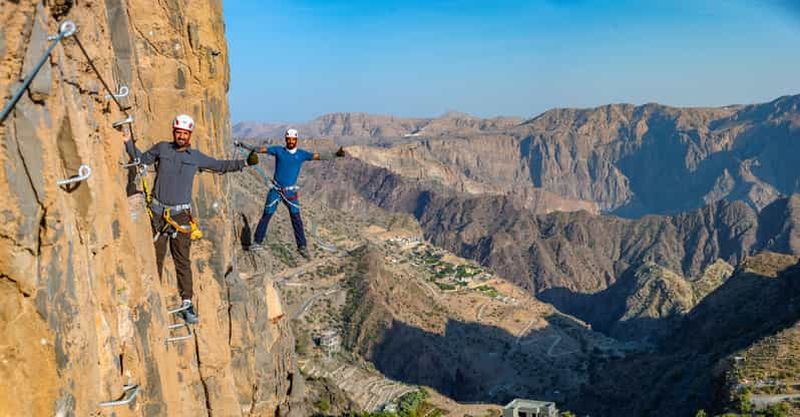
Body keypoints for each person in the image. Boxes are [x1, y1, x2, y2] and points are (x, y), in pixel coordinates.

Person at [125, 114, 259, 323]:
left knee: (182, 260)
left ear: (189, 135)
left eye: (184, 133)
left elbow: (220, 166)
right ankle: (155, 298)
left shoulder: (195, 157)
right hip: (159, 215)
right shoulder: (162, 148)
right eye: (178, 132)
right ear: (174, 132)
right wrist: (127, 141)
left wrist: (245, 163)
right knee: (156, 257)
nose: (181, 136)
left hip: (180, 216)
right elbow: (141, 159)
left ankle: (187, 304)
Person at [248, 128, 344, 257]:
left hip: (290, 192)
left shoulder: (301, 154)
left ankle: (302, 246)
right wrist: (249, 147)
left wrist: (335, 155)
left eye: (293, 139)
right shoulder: (278, 151)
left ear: (296, 140)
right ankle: (257, 242)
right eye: (289, 139)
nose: (291, 141)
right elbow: (263, 149)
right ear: (286, 139)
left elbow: (318, 156)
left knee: (296, 218)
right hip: (276, 190)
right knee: (266, 215)